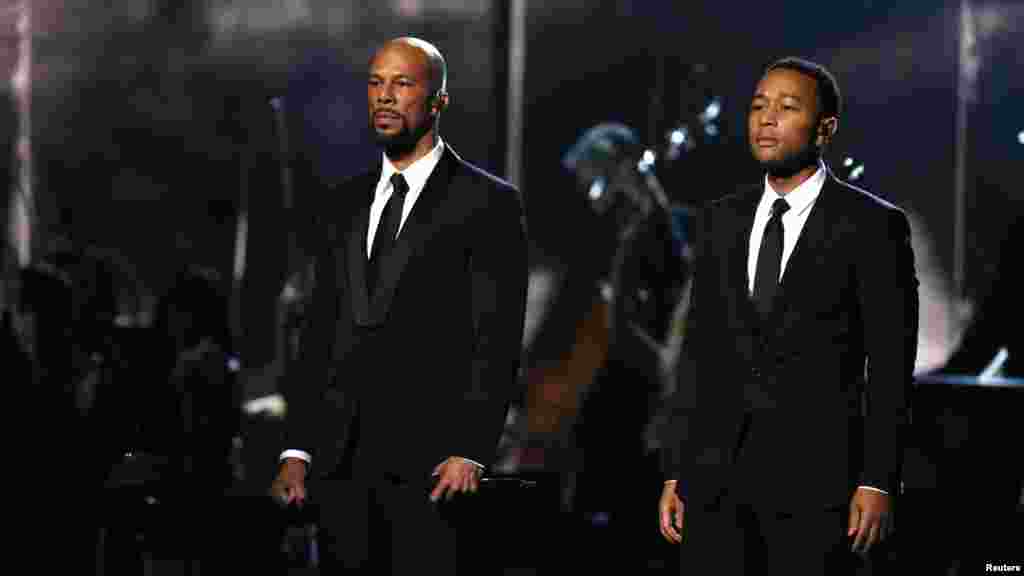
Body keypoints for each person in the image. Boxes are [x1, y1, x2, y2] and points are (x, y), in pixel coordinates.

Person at [271, 37, 527, 572]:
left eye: (402, 83)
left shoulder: (486, 203)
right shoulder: (343, 202)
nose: (385, 97)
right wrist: (297, 451)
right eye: (376, 83)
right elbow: (319, 332)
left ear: (438, 101)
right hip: (341, 467)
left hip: (432, 467)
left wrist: (472, 449)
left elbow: (496, 335)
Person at [658, 57, 918, 574]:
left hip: (816, 485)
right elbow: (700, 353)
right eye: (758, 106)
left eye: (787, 106)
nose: (767, 118)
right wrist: (675, 471)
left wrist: (878, 480)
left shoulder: (872, 227)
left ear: (826, 128)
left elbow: (890, 367)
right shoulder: (720, 220)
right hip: (714, 480)